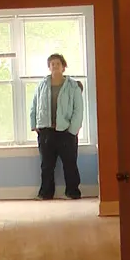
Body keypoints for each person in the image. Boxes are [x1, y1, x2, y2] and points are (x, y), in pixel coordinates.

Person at [29, 52, 84, 199]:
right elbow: (34, 105)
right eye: (52, 64)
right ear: (49, 67)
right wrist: (34, 125)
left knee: (70, 164)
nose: (55, 66)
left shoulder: (73, 86)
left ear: (63, 67)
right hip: (46, 132)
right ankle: (46, 193)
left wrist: (72, 130)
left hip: (66, 131)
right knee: (46, 165)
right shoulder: (42, 85)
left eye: (58, 64)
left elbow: (78, 110)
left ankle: (72, 192)